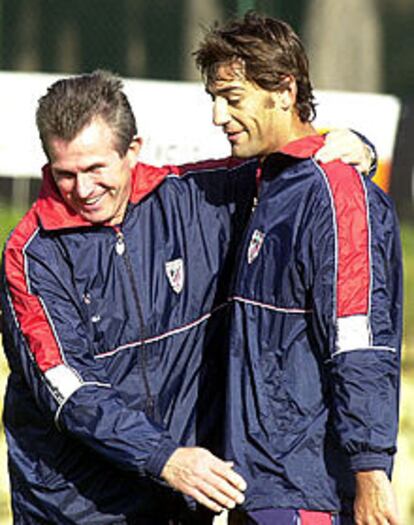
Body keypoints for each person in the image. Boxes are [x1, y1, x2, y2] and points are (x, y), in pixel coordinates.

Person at [0, 70, 375, 524]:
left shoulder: (197, 197)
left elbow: (297, 169)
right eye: (65, 174)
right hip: (74, 508)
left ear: (133, 149)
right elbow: (67, 389)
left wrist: (354, 148)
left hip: (180, 500)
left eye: (96, 169)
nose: (83, 190)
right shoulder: (31, 254)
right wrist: (166, 457)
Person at [195, 11, 402, 525]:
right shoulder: (265, 181)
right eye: (214, 100)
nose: (218, 116)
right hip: (256, 484)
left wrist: (371, 473)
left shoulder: (334, 195)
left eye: (233, 99)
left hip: (310, 495)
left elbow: (358, 338)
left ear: (285, 91)